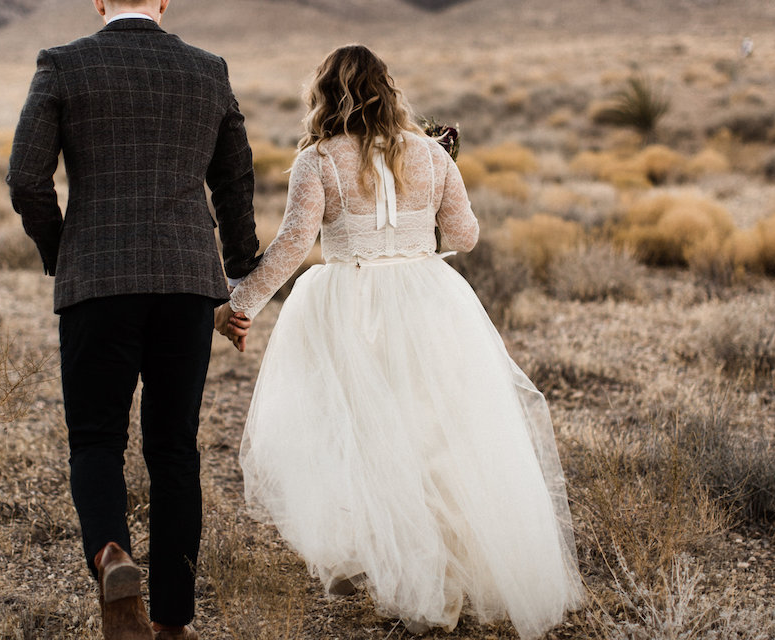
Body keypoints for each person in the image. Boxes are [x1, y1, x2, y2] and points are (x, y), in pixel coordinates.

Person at [214, 45, 584, 637]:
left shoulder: (319, 161)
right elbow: (464, 235)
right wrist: (422, 227)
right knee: (435, 433)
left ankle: (410, 573)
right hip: (428, 300)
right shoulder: (433, 155)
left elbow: (291, 245)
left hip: (349, 305)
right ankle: (443, 578)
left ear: (326, 95)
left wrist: (241, 305)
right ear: (388, 91)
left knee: (364, 436)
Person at [7, 0, 259, 640]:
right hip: (185, 280)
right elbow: (235, 184)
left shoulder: (64, 64)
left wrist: (67, 255)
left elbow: (26, 179)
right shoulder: (208, 71)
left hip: (99, 280)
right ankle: (174, 624)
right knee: (173, 447)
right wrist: (238, 277)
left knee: (95, 440)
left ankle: (113, 555)